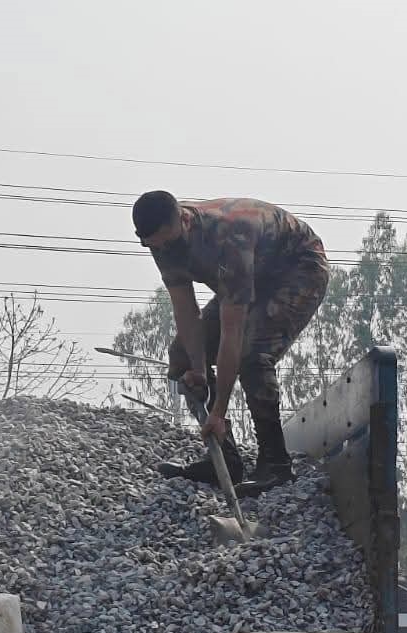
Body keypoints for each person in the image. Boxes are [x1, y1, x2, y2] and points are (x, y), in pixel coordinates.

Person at [132, 191, 328, 496]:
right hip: (250, 278)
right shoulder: (161, 241)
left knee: (253, 355)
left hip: (298, 269)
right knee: (181, 355)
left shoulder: (229, 235)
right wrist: (197, 369)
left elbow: (232, 331)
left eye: (169, 242)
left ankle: (275, 464)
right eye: (154, 245)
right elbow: (186, 311)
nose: (164, 250)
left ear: (184, 219)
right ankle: (224, 459)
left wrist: (218, 410)